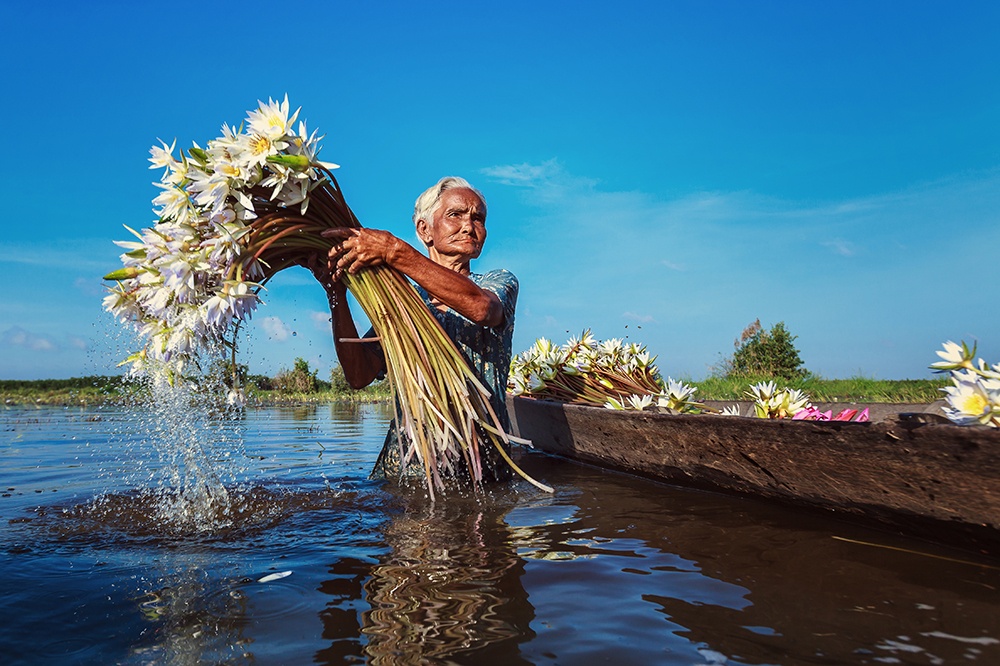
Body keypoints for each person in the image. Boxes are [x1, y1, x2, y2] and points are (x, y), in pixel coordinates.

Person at [314, 177, 518, 482]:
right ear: (425, 230)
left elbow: (481, 308)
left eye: (478, 218)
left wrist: (396, 252)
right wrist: (336, 294)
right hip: (409, 465)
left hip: (480, 464)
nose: (469, 225)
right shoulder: (402, 300)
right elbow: (359, 375)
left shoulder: (498, 282)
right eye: (455, 215)